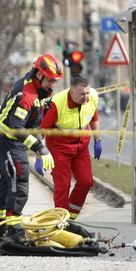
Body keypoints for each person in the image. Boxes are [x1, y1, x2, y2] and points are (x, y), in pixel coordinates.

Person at [0, 54, 62, 244]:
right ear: (39, 74)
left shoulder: (39, 89)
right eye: (50, 80)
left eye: (54, 81)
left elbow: (33, 122)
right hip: (7, 138)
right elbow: (17, 128)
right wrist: (40, 148)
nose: (52, 84)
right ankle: (13, 229)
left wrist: (39, 146)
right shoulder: (27, 94)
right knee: (19, 178)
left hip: (12, 137)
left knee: (8, 181)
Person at [40, 75, 100, 220]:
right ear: (71, 93)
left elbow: (94, 116)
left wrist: (98, 140)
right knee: (63, 187)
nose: (86, 97)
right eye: (82, 94)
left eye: (87, 93)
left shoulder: (92, 97)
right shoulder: (57, 104)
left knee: (86, 181)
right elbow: (42, 130)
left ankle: (71, 218)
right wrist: (39, 154)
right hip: (59, 148)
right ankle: (60, 222)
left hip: (81, 147)